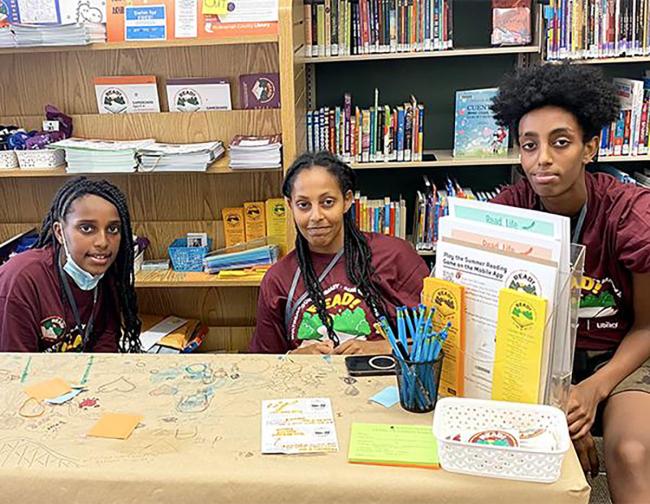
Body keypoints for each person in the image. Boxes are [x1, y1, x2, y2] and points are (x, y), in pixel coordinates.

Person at [491, 63, 650, 502]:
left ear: (589, 148)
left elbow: (647, 327)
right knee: (520, 451)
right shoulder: (511, 210)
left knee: (631, 451)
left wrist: (593, 391)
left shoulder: (631, 214)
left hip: (621, 356)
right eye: (529, 145)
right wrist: (559, 405)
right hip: (539, 358)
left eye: (560, 142)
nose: (542, 158)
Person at [250, 151, 430, 355]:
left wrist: (387, 347)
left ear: (347, 200)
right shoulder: (278, 280)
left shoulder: (396, 256)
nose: (316, 216)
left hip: (387, 384)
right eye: (303, 205)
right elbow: (264, 363)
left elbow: (442, 341)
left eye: (327, 202)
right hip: (311, 385)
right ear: (290, 205)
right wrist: (294, 357)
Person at [0, 177, 141, 353]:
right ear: (59, 232)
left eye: (113, 229)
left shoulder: (103, 270)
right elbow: (16, 368)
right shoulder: (21, 279)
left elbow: (105, 341)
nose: (103, 242)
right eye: (87, 228)